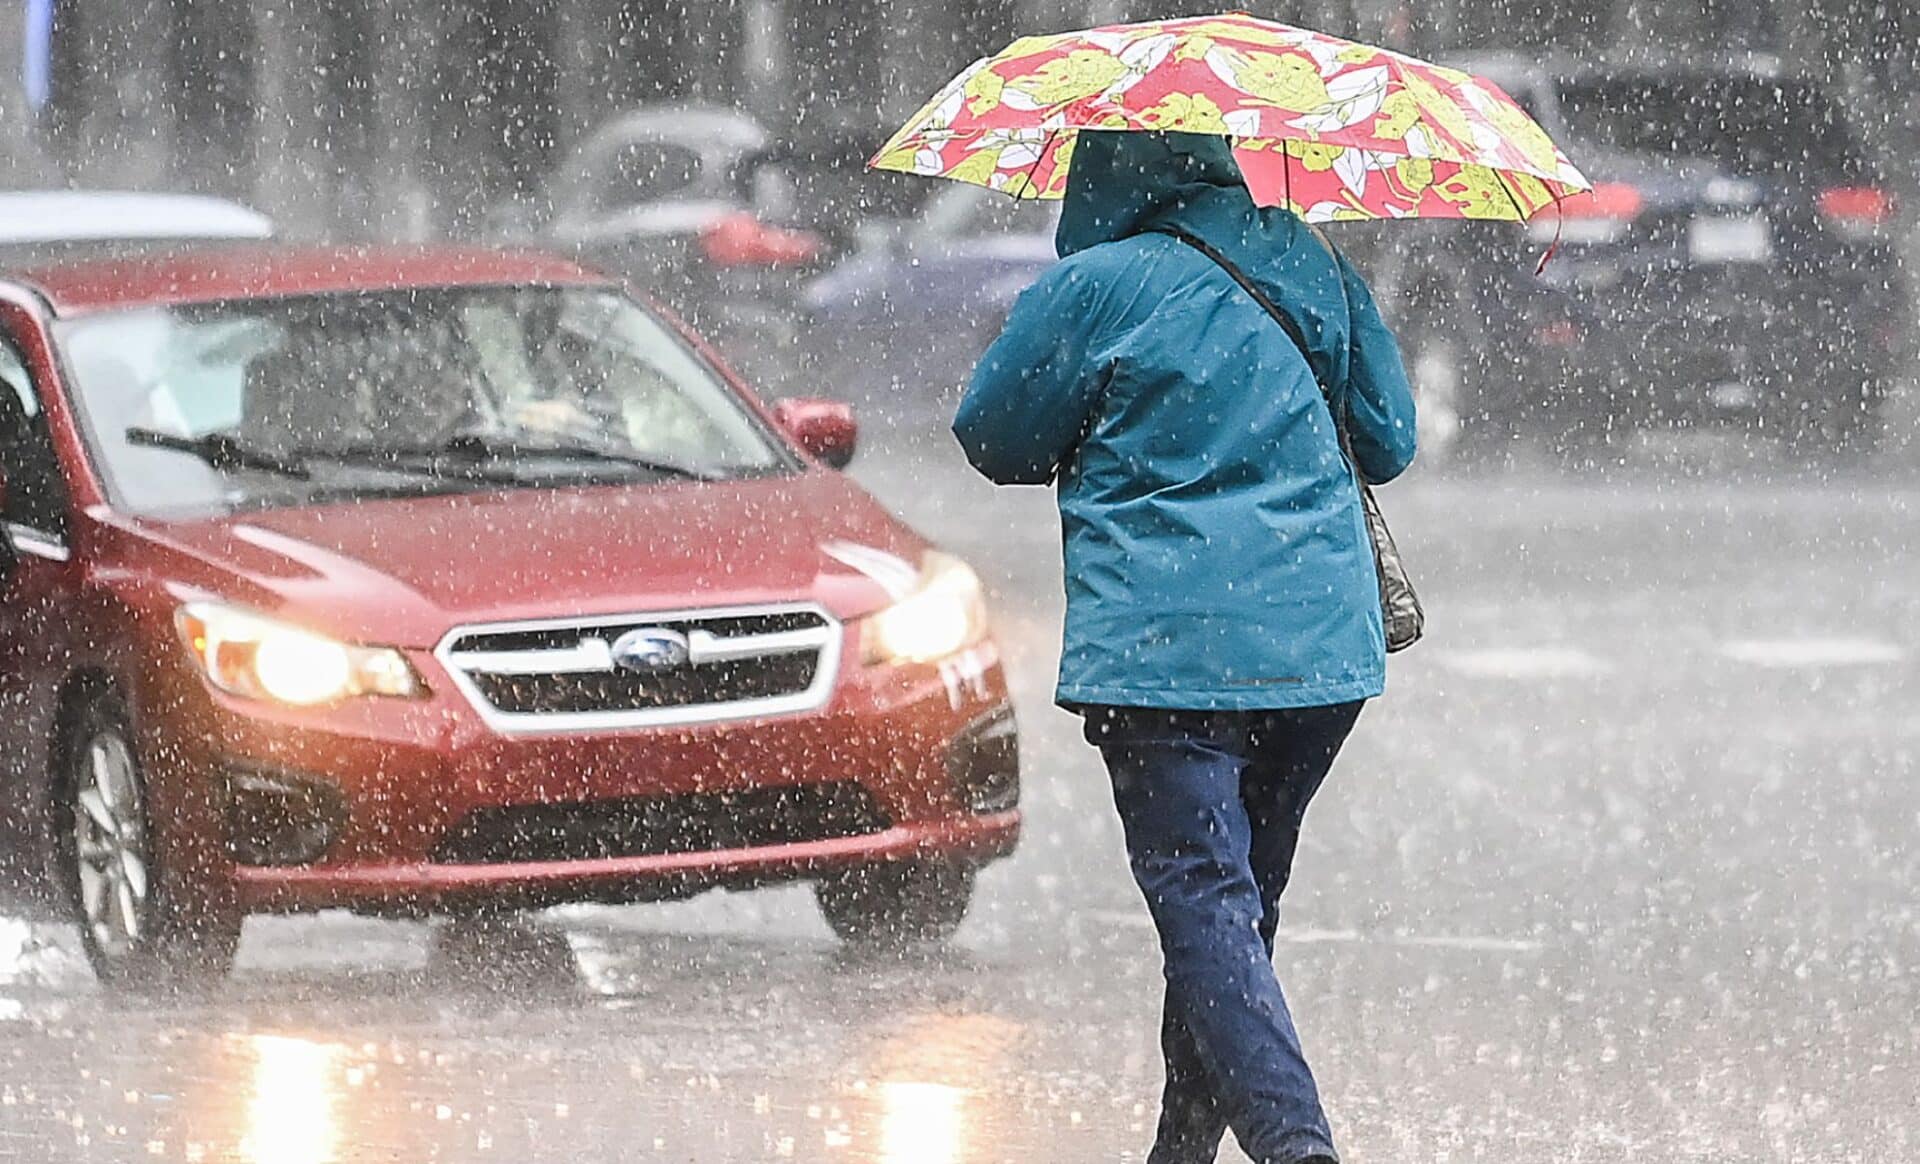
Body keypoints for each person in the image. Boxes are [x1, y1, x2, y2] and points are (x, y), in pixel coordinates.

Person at [952, 131, 1417, 1164]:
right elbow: (1389, 438)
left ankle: (1300, 1150)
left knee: (1207, 910)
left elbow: (994, 439)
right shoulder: (1311, 262)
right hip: (1315, 658)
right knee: (1230, 918)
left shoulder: (1092, 289)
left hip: (1163, 658)